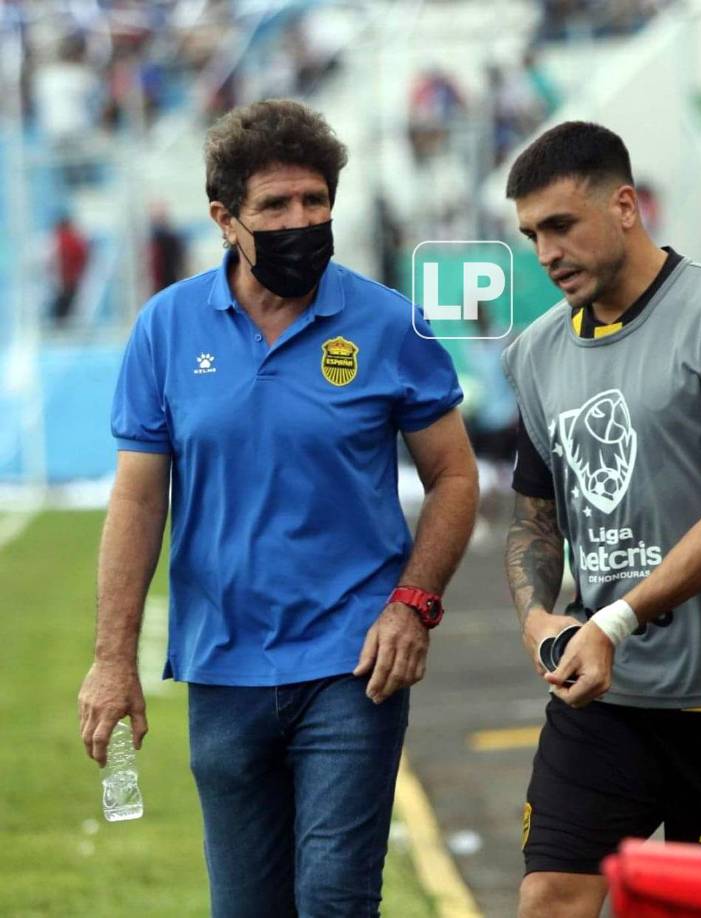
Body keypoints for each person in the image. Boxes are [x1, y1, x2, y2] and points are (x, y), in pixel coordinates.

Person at [78, 99, 478, 917]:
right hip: (221, 666)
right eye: (275, 205)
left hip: (352, 663)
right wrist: (113, 658)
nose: (302, 220)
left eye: (315, 200)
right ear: (225, 219)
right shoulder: (165, 328)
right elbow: (138, 500)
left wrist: (412, 603)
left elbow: (456, 477)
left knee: (334, 900)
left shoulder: (390, 323)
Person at [501, 121, 701, 918]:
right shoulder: (535, 354)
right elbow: (534, 523)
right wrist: (538, 620)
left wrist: (613, 621)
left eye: (561, 225)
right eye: (532, 235)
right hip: (609, 698)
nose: (546, 253)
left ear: (625, 206)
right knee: (549, 898)